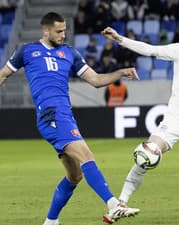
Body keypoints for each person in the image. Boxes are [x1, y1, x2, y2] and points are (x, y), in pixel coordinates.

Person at [0, 12, 140, 225]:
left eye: (64, 30)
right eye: (58, 31)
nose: (63, 35)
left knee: (75, 176)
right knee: (86, 155)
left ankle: (51, 222)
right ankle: (114, 204)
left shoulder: (70, 53)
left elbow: (95, 80)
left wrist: (120, 72)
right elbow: (2, 75)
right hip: (51, 114)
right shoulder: (26, 51)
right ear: (45, 31)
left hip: (66, 114)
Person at [102, 17, 179, 206]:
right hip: (174, 121)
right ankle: (120, 203)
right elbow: (150, 49)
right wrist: (120, 38)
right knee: (146, 156)